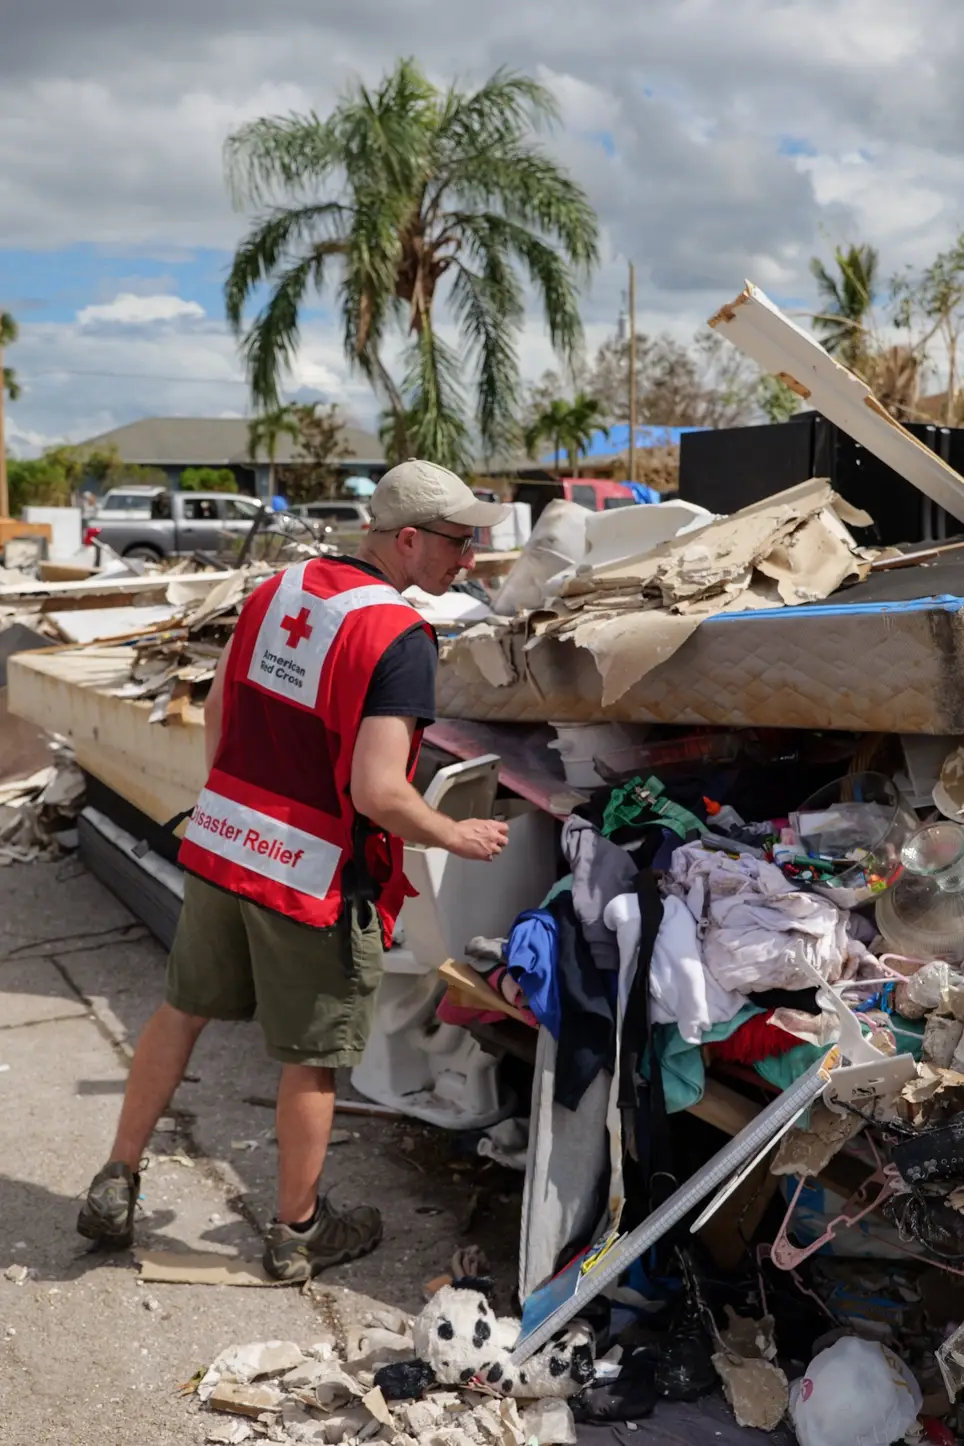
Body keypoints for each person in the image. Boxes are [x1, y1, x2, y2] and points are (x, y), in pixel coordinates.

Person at [77, 459, 511, 1280]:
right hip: (311, 878)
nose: (470, 559)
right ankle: (299, 1230)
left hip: (223, 846)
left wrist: (241, 805)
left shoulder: (278, 591)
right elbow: (379, 792)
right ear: (408, 540)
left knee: (180, 1010)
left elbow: (219, 710)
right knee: (309, 1058)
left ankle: (116, 1176)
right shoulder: (399, 638)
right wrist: (452, 834)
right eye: (459, 542)